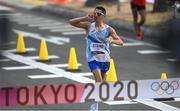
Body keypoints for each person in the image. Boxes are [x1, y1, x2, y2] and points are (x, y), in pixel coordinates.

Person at [69, 6, 124, 82]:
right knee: (99, 81)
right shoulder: (89, 26)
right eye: (94, 13)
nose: (96, 15)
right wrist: (85, 18)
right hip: (93, 59)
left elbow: (121, 42)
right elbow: (71, 22)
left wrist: (112, 41)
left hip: (105, 59)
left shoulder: (109, 30)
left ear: (103, 16)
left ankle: (96, 93)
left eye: (98, 13)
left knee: (99, 84)